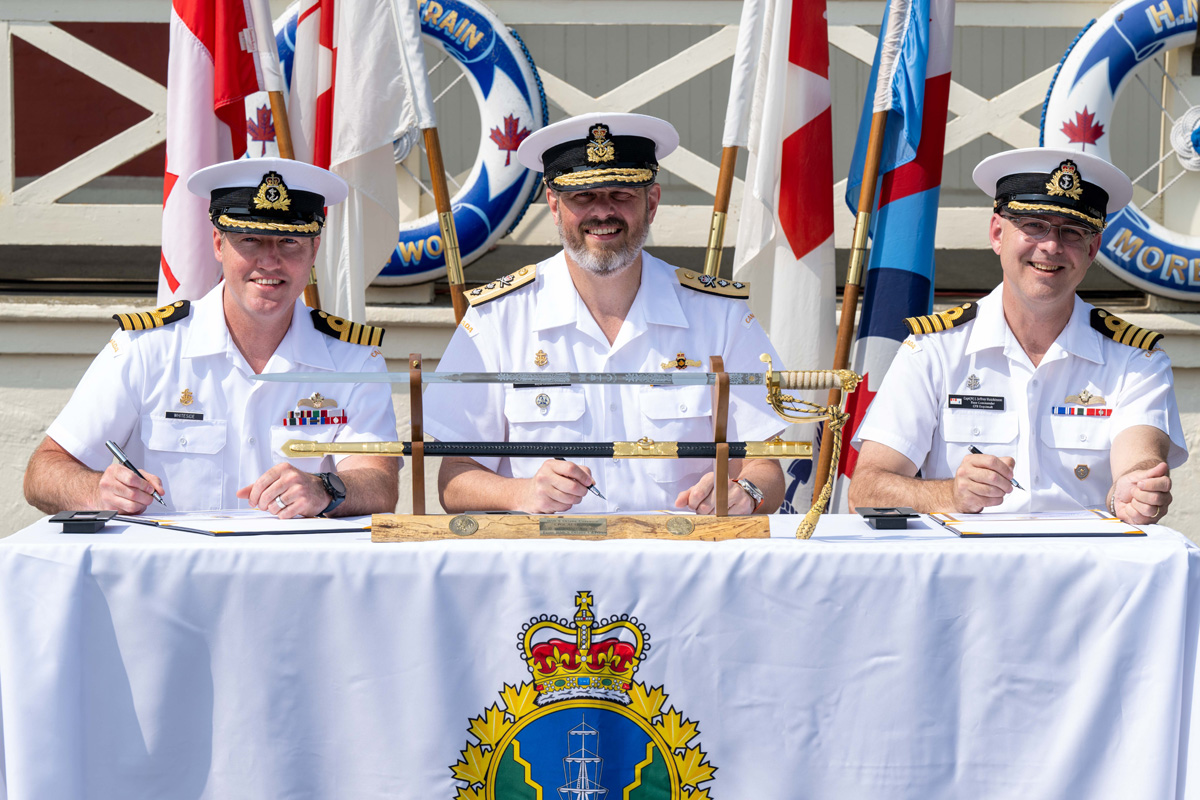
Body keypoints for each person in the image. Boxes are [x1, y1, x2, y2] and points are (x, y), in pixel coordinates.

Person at [425, 113, 786, 515]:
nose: (603, 212)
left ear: (651, 203)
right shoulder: (497, 319)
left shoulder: (721, 317)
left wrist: (746, 492)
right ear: (553, 204)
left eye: (621, 194)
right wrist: (521, 493)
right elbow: (455, 477)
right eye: (583, 196)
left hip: (681, 560)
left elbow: (765, 465)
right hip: (546, 561)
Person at [24, 158, 400, 518]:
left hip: (296, 575)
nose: (270, 262)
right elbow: (43, 472)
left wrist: (325, 488)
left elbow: (380, 484)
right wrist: (97, 490)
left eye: (289, 242)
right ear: (219, 243)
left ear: (314, 249)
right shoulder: (148, 348)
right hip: (169, 573)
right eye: (250, 239)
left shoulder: (353, 360)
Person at [848, 147, 1186, 524]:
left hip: (1088, 571)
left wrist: (1131, 493)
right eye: (1034, 225)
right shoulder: (934, 349)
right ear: (997, 233)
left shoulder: (1135, 359)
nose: (1051, 246)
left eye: (1072, 231)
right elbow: (865, 489)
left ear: (1092, 250)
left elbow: (1138, 460)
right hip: (964, 572)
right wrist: (950, 493)